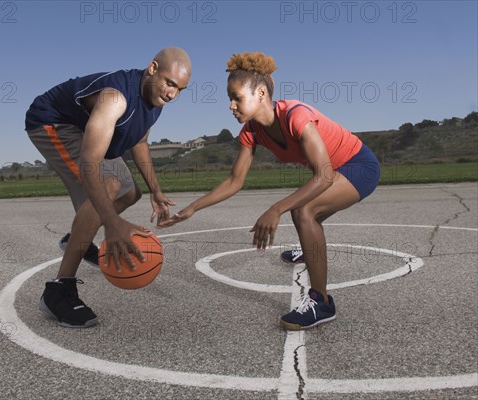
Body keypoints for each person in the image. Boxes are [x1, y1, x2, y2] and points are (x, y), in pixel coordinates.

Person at [160, 52, 380, 330]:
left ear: (260, 92)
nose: (231, 106)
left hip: (360, 166)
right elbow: (234, 181)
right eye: (230, 98)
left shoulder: (296, 115)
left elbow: (323, 176)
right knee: (308, 212)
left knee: (305, 211)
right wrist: (192, 208)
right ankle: (309, 252)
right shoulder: (252, 131)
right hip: (333, 172)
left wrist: (277, 208)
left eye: (236, 97)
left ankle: (322, 302)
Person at [25, 47, 191, 328]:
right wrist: (112, 224)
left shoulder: (154, 102)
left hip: (83, 127)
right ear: (152, 68)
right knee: (109, 185)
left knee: (130, 192)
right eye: (170, 83)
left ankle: (76, 236)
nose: (172, 94)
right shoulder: (115, 98)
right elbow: (89, 163)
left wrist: (155, 189)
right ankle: (58, 290)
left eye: (180, 89)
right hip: (53, 122)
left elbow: (138, 142)